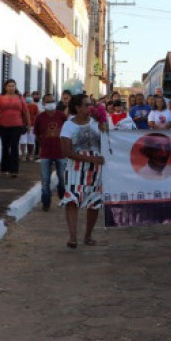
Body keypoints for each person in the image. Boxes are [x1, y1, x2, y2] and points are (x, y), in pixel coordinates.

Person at [60, 94, 104, 248]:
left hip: (96, 169)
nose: (90, 107)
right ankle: (73, 236)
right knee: (72, 199)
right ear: (78, 107)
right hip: (76, 168)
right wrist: (91, 159)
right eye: (86, 104)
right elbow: (66, 151)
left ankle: (88, 235)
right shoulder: (68, 126)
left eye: (91, 104)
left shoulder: (96, 123)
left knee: (94, 201)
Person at [33, 94, 68, 211]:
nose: (50, 103)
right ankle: (46, 202)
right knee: (45, 180)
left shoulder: (61, 116)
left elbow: (68, 131)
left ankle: (63, 197)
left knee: (62, 179)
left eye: (52, 101)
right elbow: (37, 134)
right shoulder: (40, 118)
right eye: (48, 102)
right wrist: (43, 144)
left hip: (61, 152)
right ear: (44, 103)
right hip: (46, 153)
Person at [0, 79, 31, 177]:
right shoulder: (0, 98)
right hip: (3, 126)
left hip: (17, 126)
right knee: (5, 147)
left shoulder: (20, 98)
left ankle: (14, 170)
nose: (11, 88)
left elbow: (26, 112)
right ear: (5, 87)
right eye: (9, 86)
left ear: (15, 87)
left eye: (13, 86)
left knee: (14, 147)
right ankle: (5, 169)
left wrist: (28, 125)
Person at [20, 92, 40, 162]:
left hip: (32, 125)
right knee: (23, 141)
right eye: (27, 96)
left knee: (31, 141)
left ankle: (30, 154)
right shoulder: (21, 105)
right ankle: (23, 155)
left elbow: (37, 115)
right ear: (24, 97)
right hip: (22, 125)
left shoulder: (34, 106)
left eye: (29, 96)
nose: (28, 97)